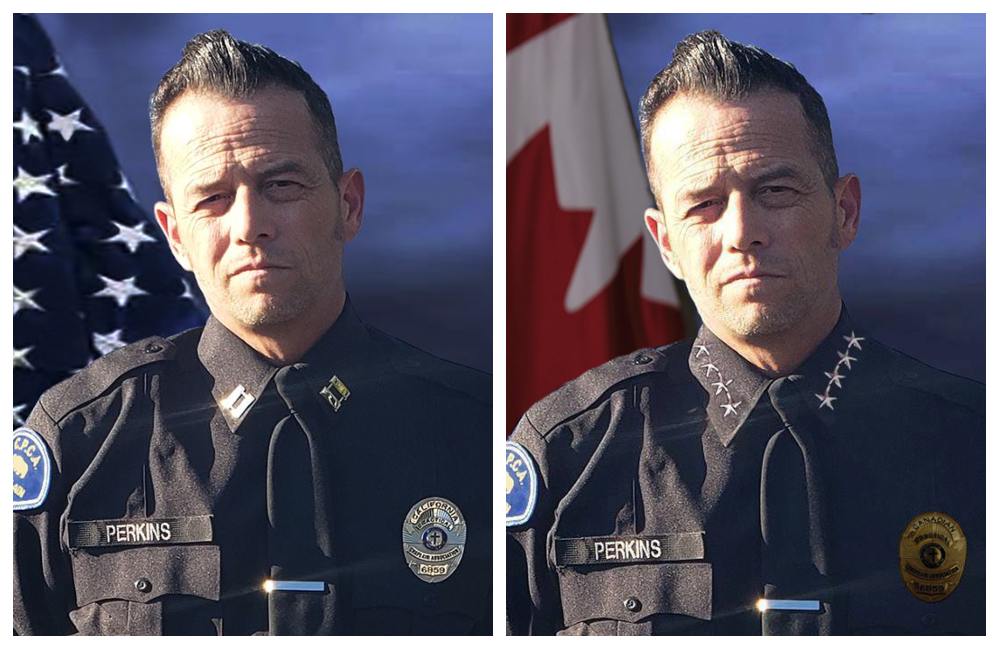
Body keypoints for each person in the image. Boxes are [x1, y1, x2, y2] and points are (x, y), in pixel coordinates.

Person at [506, 30, 984, 636]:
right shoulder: (567, 456)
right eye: (704, 204)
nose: (742, 231)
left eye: (775, 191)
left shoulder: (974, 445)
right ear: (665, 243)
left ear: (845, 212)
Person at [14, 30, 491, 636]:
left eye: (281, 186)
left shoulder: (475, 432)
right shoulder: (80, 442)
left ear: (349, 204)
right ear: (174, 234)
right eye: (212, 198)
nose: (250, 225)